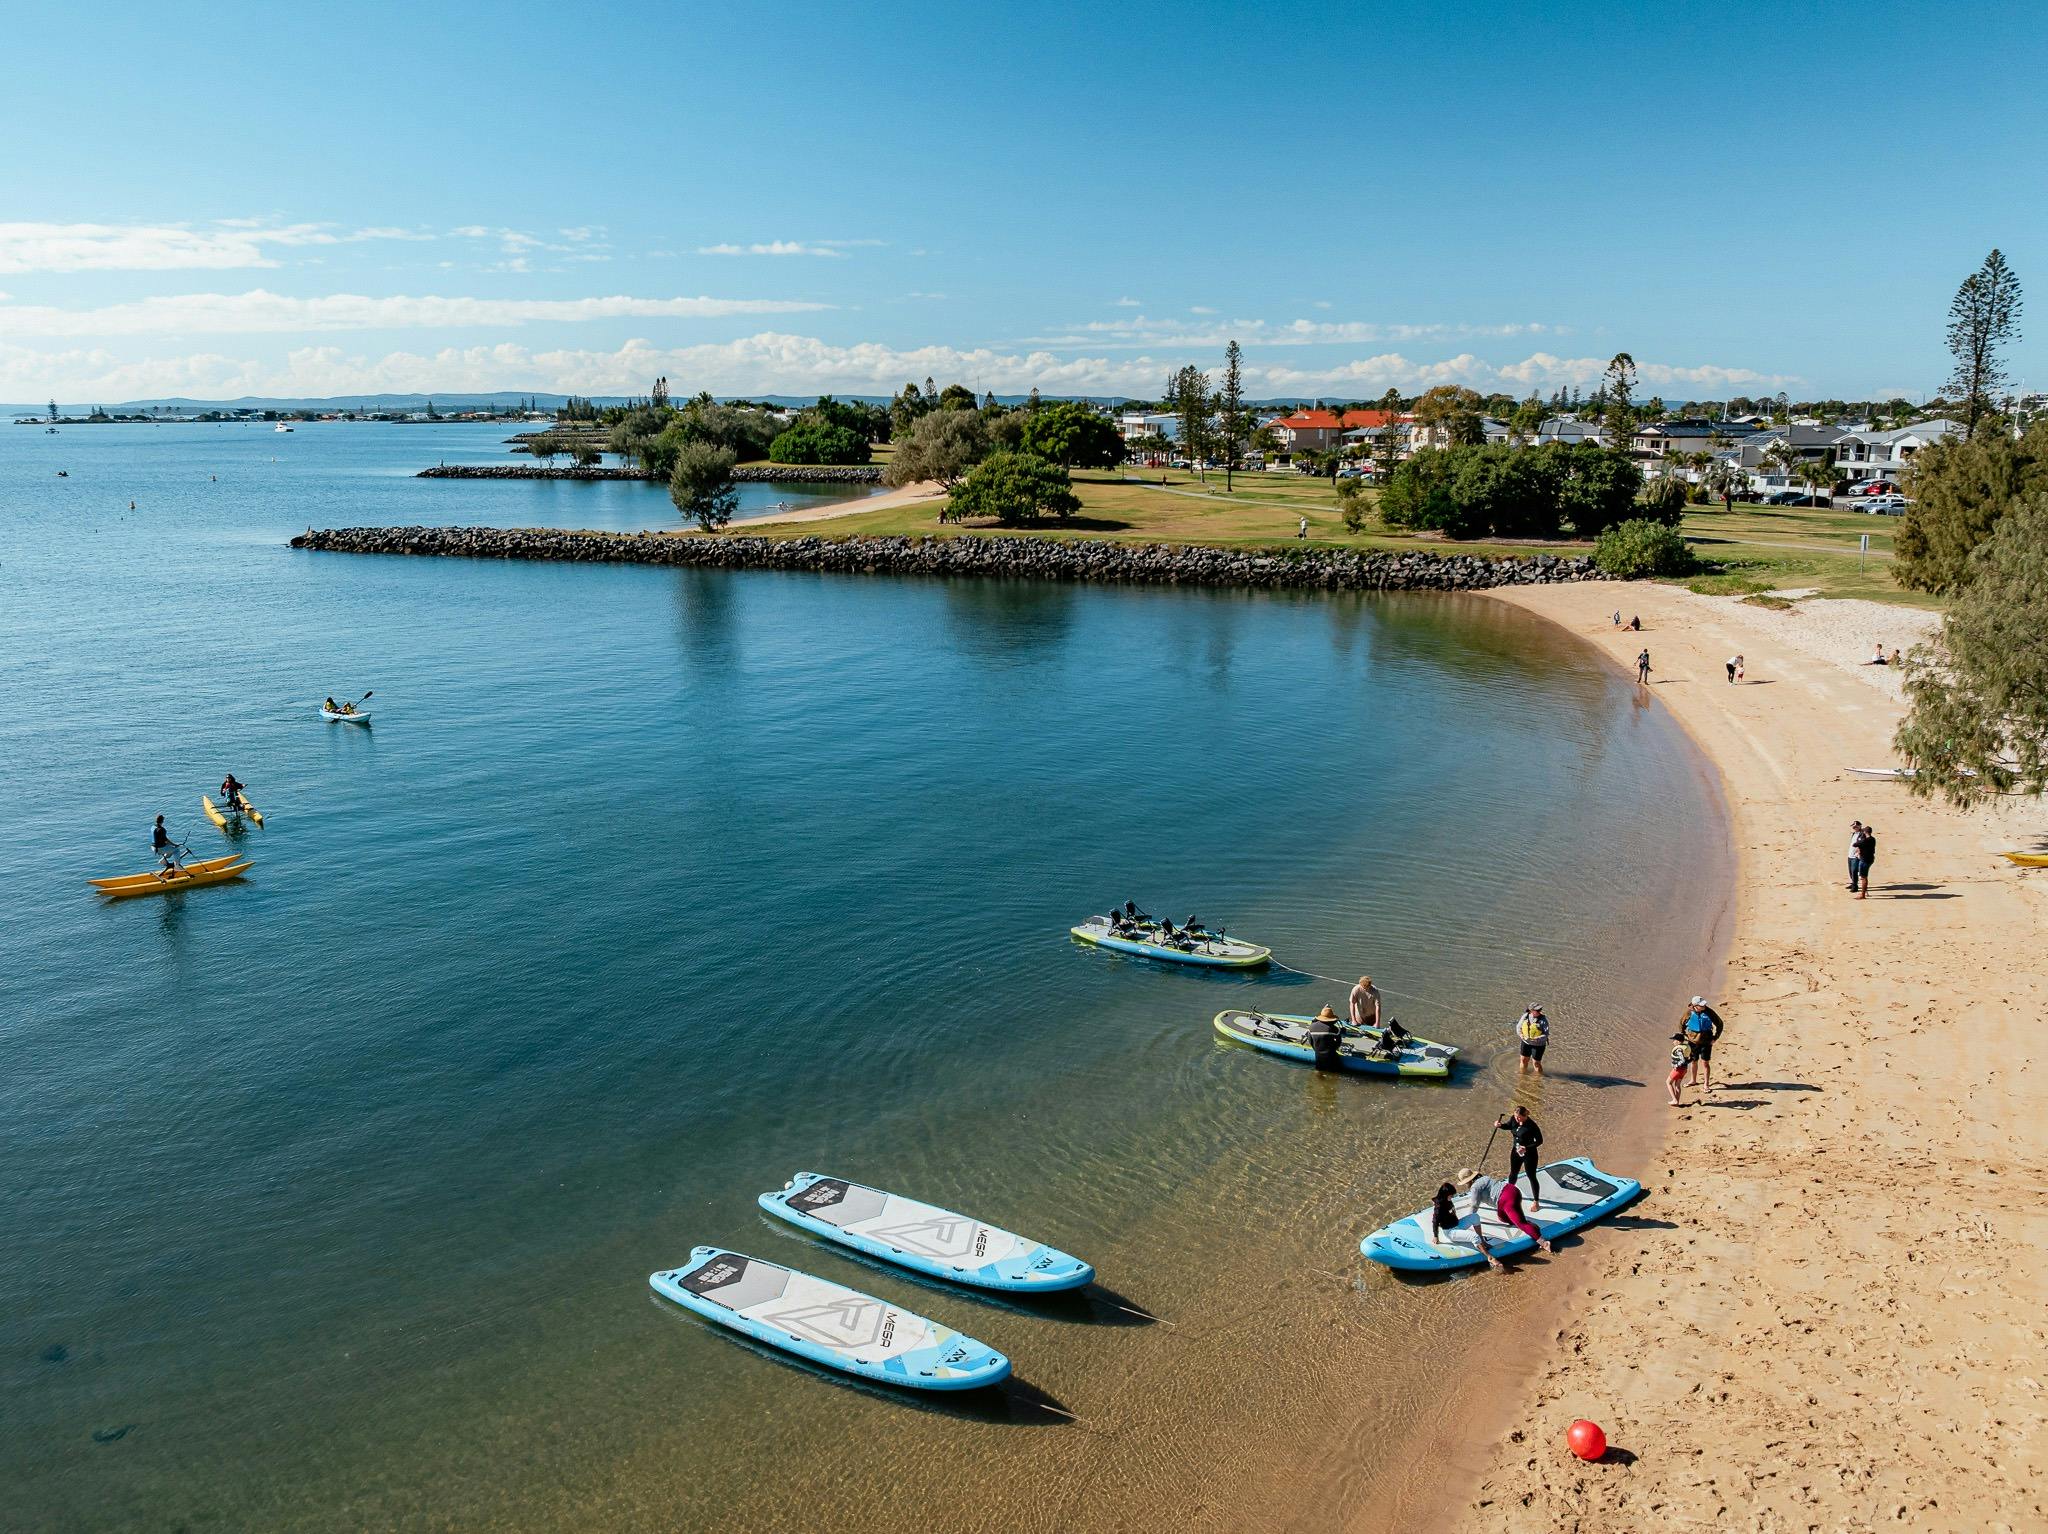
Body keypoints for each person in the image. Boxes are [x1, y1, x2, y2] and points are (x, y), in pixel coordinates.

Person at [1439, 1172, 1503, 1270]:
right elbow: (1435, 1221)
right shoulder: (1440, 1207)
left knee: (1475, 1216)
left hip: (1457, 1225)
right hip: (1450, 1232)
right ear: (1446, 1195)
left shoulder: (1448, 1201)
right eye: (1451, 1195)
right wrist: (1436, 1236)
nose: (1452, 1197)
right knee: (1474, 1236)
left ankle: (1482, 1241)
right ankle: (1489, 1257)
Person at [1496, 1106, 1543, 1209]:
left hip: (1530, 1154)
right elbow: (1509, 1126)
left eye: (1519, 1117)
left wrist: (1526, 1148)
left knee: (1531, 1176)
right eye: (1515, 1116)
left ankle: (1536, 1201)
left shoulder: (1532, 1125)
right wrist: (1500, 1125)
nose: (1517, 1119)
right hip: (1516, 1151)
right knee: (1513, 1173)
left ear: (1525, 1116)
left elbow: (1539, 1141)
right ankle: (1509, 1193)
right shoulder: (1514, 1119)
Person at [1682, 995, 1724, 1090]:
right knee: (1693, 1061)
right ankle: (1693, 1080)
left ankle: (1706, 1084)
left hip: (1706, 1042)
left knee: (1705, 1063)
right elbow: (1681, 1024)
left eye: (1704, 1004)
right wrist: (1684, 1036)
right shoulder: (1688, 1013)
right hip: (1693, 1042)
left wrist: (1715, 1037)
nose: (1704, 1006)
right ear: (1695, 1006)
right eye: (1701, 1005)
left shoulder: (1709, 1012)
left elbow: (1720, 1024)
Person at [1305, 1005, 1344, 1072]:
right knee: (1334, 1073)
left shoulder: (1311, 1027)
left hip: (1318, 1056)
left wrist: (1317, 1049)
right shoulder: (1334, 1029)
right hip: (1331, 1056)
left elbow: (1310, 1041)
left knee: (1319, 1072)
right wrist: (1333, 1048)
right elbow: (1338, 1042)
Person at [1515, 1005, 1549, 1077]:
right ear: (1531, 1011)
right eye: (1537, 1010)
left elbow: (1546, 1035)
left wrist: (1537, 1039)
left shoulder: (1543, 1020)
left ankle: (1538, 1078)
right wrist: (1521, 1035)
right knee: (1523, 1060)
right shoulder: (1525, 1016)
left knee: (1536, 1063)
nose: (1539, 1011)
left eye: (1540, 1010)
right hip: (1525, 1042)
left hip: (1538, 1045)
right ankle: (1522, 1076)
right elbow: (1518, 1027)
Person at [1667, 1032, 1690, 1106]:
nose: (1673, 1042)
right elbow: (1690, 1058)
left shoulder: (1679, 1049)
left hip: (1678, 1070)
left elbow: (1682, 1060)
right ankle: (1677, 1101)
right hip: (1684, 1069)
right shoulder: (1686, 1047)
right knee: (1677, 1085)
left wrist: (1676, 1065)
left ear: (1679, 1041)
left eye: (1674, 1040)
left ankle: (1674, 1100)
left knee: (1668, 1082)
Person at [1856, 822, 1877, 898]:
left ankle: (1863, 894)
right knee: (1864, 877)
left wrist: (1861, 839)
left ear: (1865, 832)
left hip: (1864, 860)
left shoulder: (1865, 840)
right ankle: (1864, 893)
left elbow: (1855, 844)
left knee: (1863, 877)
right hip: (1870, 859)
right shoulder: (1873, 839)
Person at [1847, 819, 1867, 895]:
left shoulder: (1862, 834)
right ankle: (1853, 883)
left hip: (1856, 856)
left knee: (1854, 870)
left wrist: (1859, 852)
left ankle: (1855, 886)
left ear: (1860, 826)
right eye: (1853, 826)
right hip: (1850, 854)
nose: (1854, 828)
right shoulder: (1854, 834)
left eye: (1856, 826)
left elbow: (1862, 844)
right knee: (1850, 871)